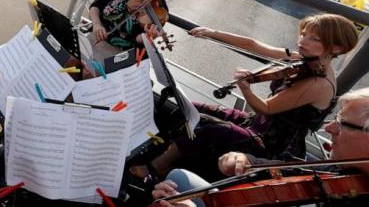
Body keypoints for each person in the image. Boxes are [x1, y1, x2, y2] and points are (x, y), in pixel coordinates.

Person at [133, 14, 358, 182]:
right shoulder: (304, 58)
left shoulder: (320, 84)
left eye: (313, 38)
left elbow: (266, 108)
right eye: (304, 33)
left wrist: (246, 88)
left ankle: (156, 167)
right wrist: (212, 32)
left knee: (208, 127)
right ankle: (155, 144)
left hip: (271, 144)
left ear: (335, 47)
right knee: (191, 107)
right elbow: (254, 45)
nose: (303, 40)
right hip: (256, 124)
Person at [152, 87, 369, 207]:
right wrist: (246, 160)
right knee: (178, 176)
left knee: (210, 133)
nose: (329, 128)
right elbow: (288, 169)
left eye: (342, 124)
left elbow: (266, 108)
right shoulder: (341, 171)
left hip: (269, 139)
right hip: (258, 126)